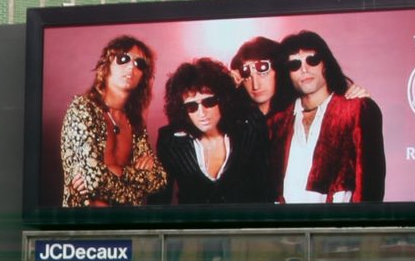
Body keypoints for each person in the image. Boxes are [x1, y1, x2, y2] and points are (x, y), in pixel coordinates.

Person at [268, 30, 386, 202]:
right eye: (294, 64)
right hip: (287, 227)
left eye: (312, 60)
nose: (304, 69)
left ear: (325, 64)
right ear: (287, 73)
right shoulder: (276, 124)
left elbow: (371, 187)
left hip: (339, 226)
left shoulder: (357, 109)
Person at [60, 35, 167, 206]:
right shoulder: (82, 109)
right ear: (107, 64)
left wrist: (113, 171)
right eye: (123, 59)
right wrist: (135, 180)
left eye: (140, 64)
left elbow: (158, 179)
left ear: (143, 76)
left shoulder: (134, 121)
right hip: (85, 226)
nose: (131, 67)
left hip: (128, 227)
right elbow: (93, 180)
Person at [155, 58, 271, 205]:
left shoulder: (248, 130)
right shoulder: (170, 141)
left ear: (223, 100)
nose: (202, 113)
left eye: (209, 102)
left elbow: (265, 190)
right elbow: (159, 201)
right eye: (192, 107)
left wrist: (236, 89)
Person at [230, 37, 292, 118]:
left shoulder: (293, 115)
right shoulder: (237, 118)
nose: (255, 86)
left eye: (262, 74)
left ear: (278, 71)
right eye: (248, 77)